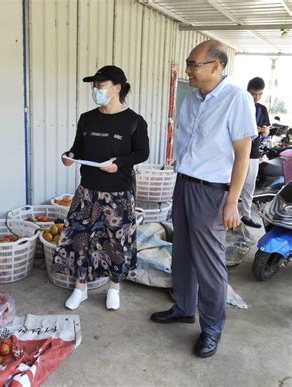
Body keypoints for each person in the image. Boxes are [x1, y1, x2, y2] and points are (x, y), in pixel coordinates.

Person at [150, 40, 256, 358]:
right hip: (184, 183)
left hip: (212, 191)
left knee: (209, 263)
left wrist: (232, 201)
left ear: (215, 67)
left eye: (193, 65)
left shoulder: (236, 99)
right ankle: (183, 307)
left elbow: (243, 154)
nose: (188, 71)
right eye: (188, 64)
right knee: (182, 251)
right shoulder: (193, 99)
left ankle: (212, 328)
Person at [53, 65, 149, 311]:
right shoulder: (87, 118)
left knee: (116, 242)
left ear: (117, 88)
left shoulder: (134, 122)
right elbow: (78, 148)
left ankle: (114, 288)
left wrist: (120, 165)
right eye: (95, 86)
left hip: (118, 192)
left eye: (101, 86)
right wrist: (69, 156)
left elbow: (142, 153)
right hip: (87, 191)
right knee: (80, 240)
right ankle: (80, 288)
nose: (96, 90)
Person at [240, 77, 270, 228]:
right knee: (229, 184)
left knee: (249, 185)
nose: (256, 98)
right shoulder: (239, 106)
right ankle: (222, 214)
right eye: (253, 94)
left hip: (253, 153)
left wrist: (263, 130)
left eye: (260, 94)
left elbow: (266, 132)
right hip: (236, 153)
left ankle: (245, 215)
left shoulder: (262, 109)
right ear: (247, 92)